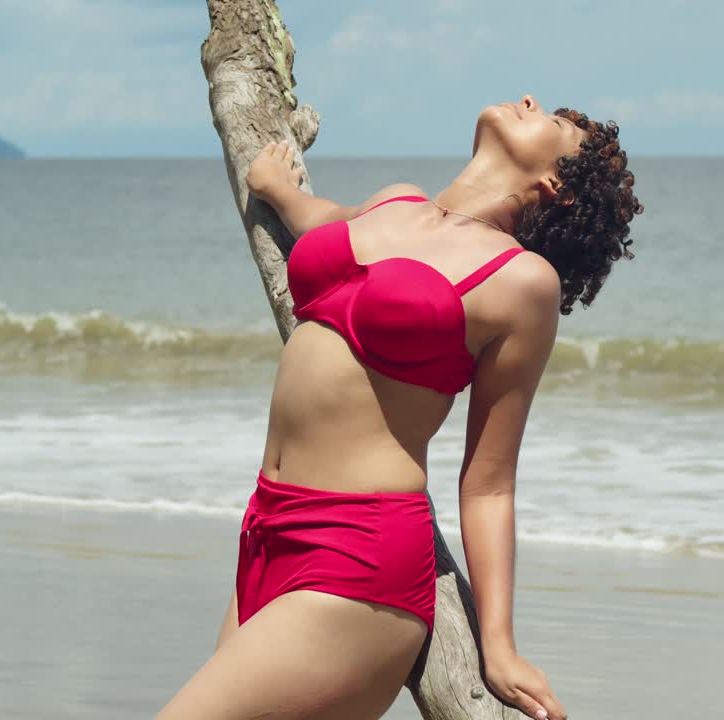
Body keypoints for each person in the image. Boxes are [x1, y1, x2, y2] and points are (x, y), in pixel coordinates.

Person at [157, 94, 642, 720]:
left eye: (553, 121)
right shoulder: (395, 201)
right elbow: (321, 219)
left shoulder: (523, 283)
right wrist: (277, 188)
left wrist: (500, 646)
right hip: (268, 527)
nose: (529, 101)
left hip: (360, 557)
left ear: (559, 187)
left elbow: (489, 481)